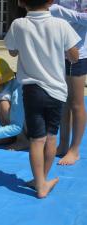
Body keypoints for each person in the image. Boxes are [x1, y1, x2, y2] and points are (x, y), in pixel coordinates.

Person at [4, 0, 80, 198]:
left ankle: (39, 182)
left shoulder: (18, 25)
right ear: (51, 2)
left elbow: (12, 51)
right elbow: (74, 56)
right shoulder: (61, 25)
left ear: (21, 2)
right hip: (56, 91)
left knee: (37, 140)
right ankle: (42, 181)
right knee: (51, 137)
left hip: (31, 90)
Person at [49, 1, 87, 165]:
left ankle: (75, 149)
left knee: (76, 103)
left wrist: (62, 12)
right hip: (58, 52)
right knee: (63, 101)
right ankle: (63, 144)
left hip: (78, 53)